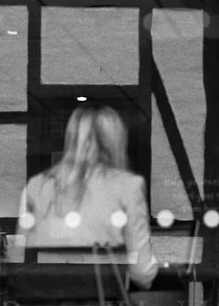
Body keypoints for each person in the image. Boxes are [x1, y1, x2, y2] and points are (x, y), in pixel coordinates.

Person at [18, 104, 157, 288]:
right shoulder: (128, 186)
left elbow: (18, 258)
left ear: (71, 138)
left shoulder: (36, 185)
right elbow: (142, 272)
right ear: (116, 141)